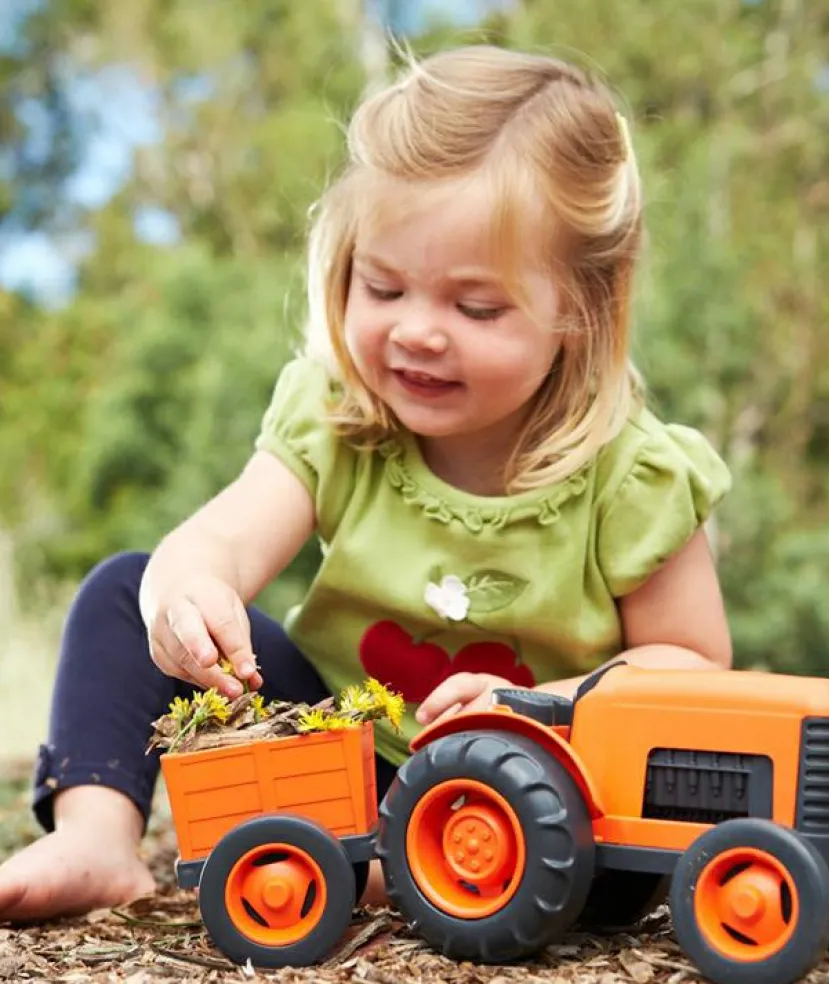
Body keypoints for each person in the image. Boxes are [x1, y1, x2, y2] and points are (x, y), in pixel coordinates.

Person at [0, 43, 733, 924]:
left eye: (475, 306)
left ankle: (398, 867)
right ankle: (96, 837)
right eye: (383, 288)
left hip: (534, 789)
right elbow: (225, 538)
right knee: (128, 588)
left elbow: (692, 663)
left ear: (582, 310)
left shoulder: (631, 473)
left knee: (616, 858)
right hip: (333, 750)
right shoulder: (340, 419)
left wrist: (539, 708)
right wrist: (190, 594)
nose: (417, 332)